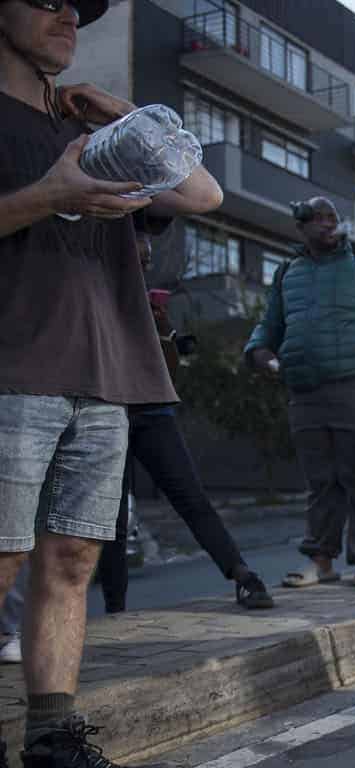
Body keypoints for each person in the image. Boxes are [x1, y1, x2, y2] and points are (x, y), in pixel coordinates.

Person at [0, 0, 224, 768]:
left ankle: (54, 751)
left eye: (77, 5)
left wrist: (127, 117)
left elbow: (203, 193)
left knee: (70, 562)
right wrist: (47, 196)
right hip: (15, 361)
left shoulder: (98, 130)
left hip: (106, 370)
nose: (66, 13)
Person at [97, 216, 274, 612]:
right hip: (108, 408)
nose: (147, 258)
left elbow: (169, 366)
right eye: (141, 250)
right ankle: (115, 609)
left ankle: (243, 575)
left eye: (148, 253)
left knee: (191, 497)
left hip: (153, 409)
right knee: (112, 517)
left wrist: (163, 332)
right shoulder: (96, 290)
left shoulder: (149, 300)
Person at [245, 197, 355, 589]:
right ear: (301, 228)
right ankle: (320, 560)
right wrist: (259, 353)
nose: (326, 225)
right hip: (305, 391)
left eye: (331, 218)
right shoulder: (288, 272)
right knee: (321, 480)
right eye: (316, 220)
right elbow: (269, 326)